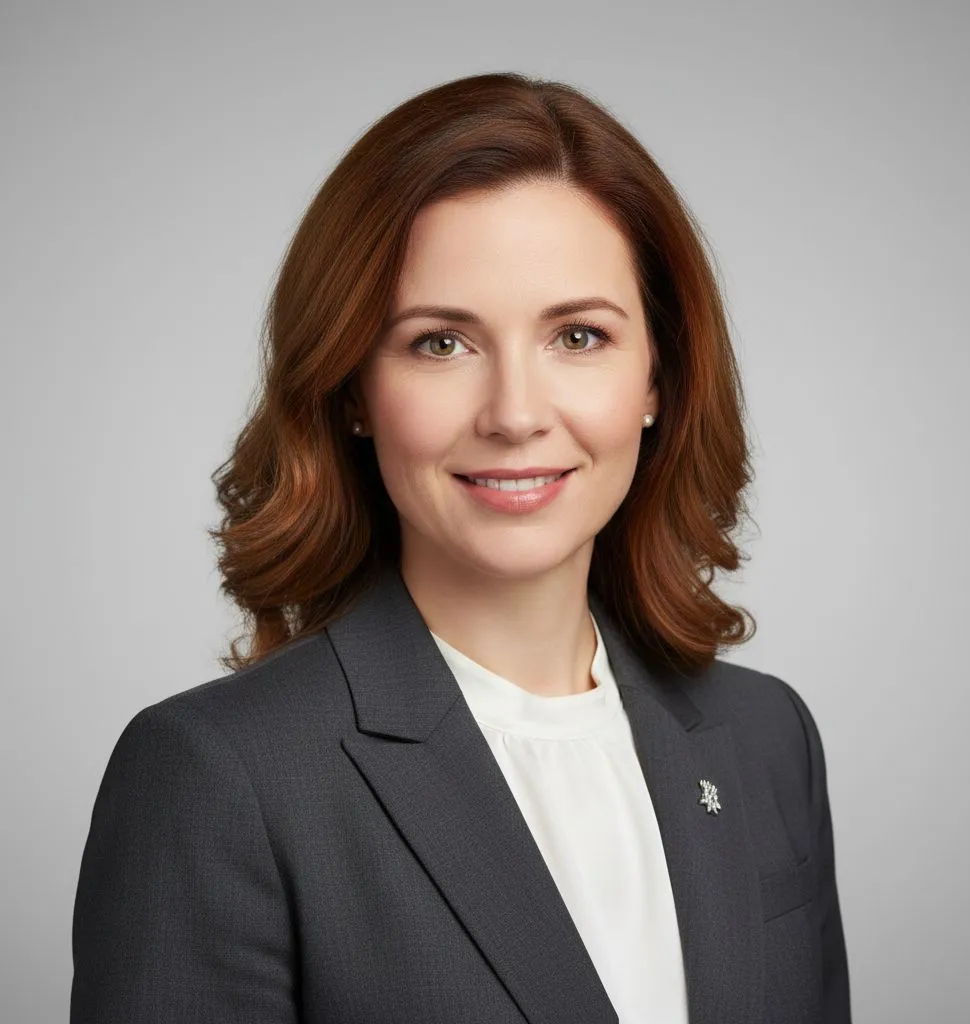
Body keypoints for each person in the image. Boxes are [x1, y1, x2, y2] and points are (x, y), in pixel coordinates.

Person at [70, 72, 850, 1023]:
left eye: (577, 334)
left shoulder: (767, 738)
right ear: (353, 389)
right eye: (442, 343)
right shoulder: (218, 775)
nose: (516, 415)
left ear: (659, 378)